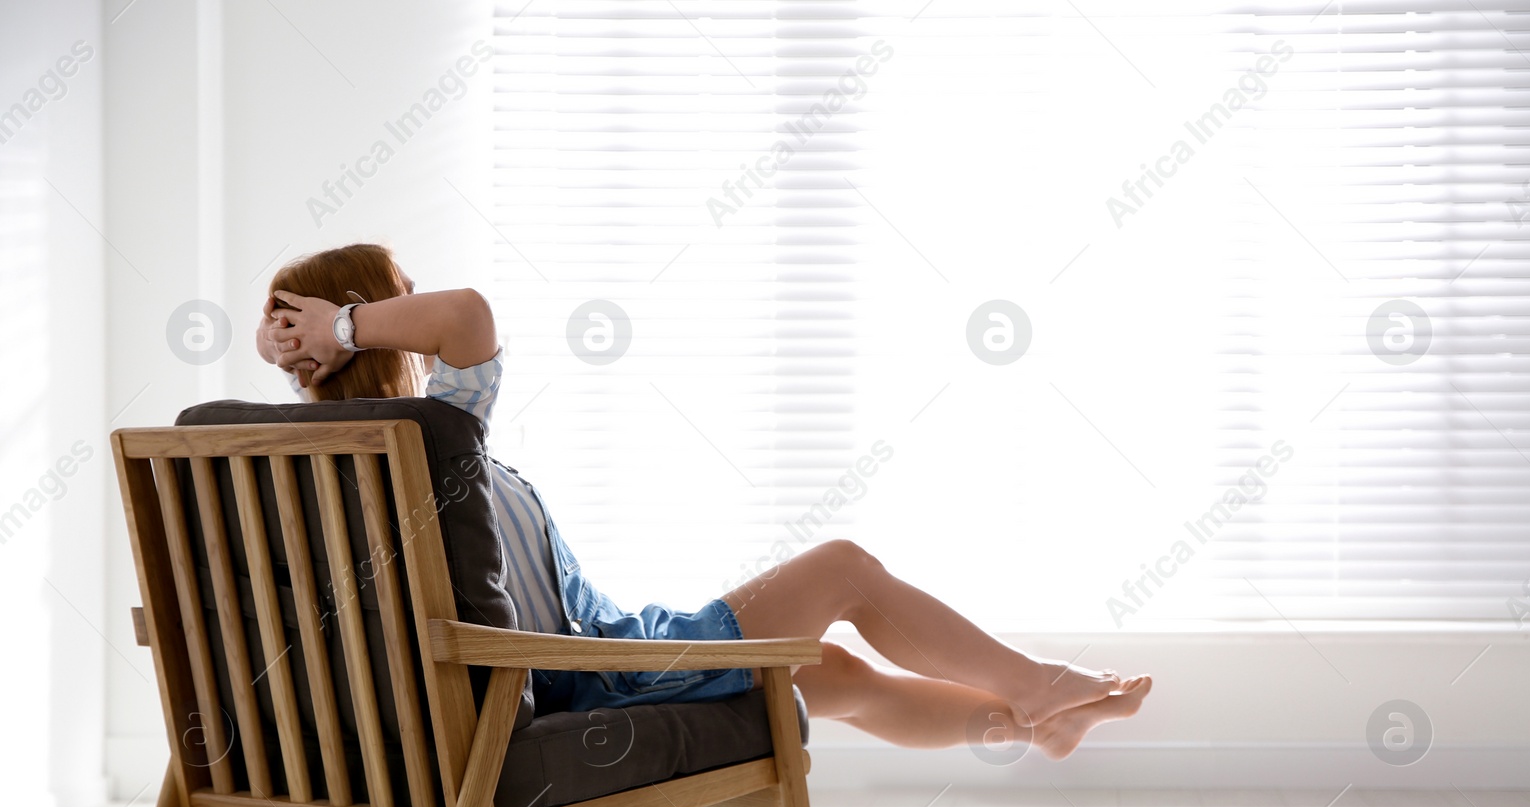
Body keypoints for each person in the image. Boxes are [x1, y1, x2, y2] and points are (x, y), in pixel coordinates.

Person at [259, 243, 1151, 760]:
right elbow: (470, 316)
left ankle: (1033, 727)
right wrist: (339, 328)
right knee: (842, 568)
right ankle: (1035, 688)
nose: (414, 316)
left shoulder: (336, 461)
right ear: (360, 321)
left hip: (592, 652)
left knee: (829, 676)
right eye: (396, 305)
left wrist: (313, 341)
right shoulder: (423, 433)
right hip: (601, 665)